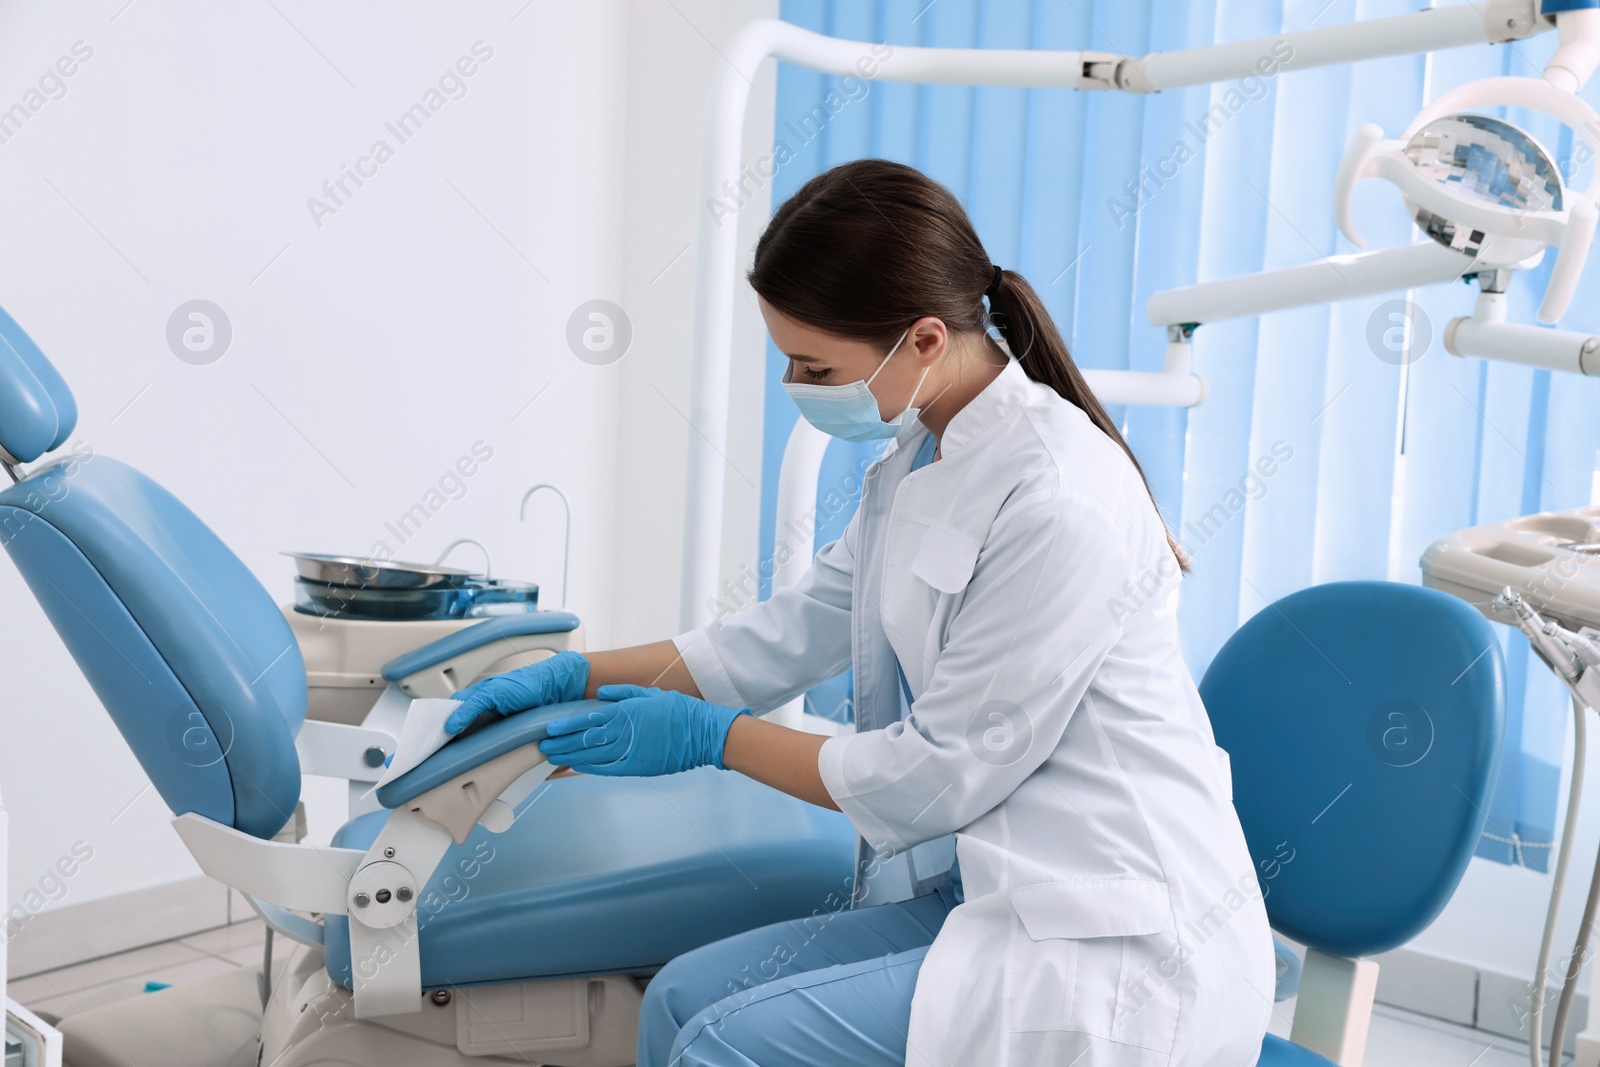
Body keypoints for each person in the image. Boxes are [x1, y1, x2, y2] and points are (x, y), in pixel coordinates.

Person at [445, 159, 1273, 1066]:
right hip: (1001, 894)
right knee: (678, 1001)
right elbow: (784, 635)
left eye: (814, 365)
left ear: (923, 339)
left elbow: (938, 777)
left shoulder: (1059, 500)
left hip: (1116, 947)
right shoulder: (923, 461)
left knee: (721, 1045)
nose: (797, 384)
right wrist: (579, 673)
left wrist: (710, 739)